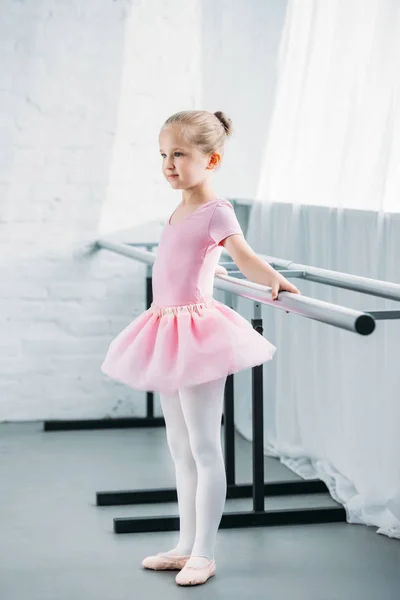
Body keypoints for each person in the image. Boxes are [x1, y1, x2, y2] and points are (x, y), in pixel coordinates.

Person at [101, 110, 301, 586]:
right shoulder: (178, 209)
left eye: (180, 155)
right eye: (164, 154)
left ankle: (205, 553)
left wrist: (274, 283)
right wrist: (213, 271)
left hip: (197, 333)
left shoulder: (217, 209)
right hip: (165, 331)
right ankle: (184, 543)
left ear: (211, 159)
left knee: (206, 446)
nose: (169, 164)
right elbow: (195, 258)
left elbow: (242, 253)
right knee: (180, 446)